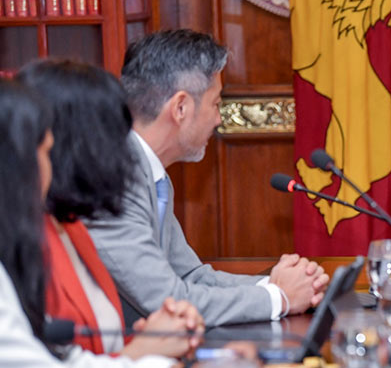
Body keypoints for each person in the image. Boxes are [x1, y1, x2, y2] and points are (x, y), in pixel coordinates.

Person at [84, 29, 330, 327]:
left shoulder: (149, 171)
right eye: (216, 104)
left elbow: (190, 275)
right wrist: (280, 297)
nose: (218, 118)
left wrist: (278, 286)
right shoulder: (110, 181)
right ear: (180, 107)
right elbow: (169, 300)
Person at [17, 60, 204, 357]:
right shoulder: (19, 241)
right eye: (114, 136)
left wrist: (154, 336)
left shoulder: (72, 227)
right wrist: (143, 351)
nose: (123, 152)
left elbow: (98, 349)